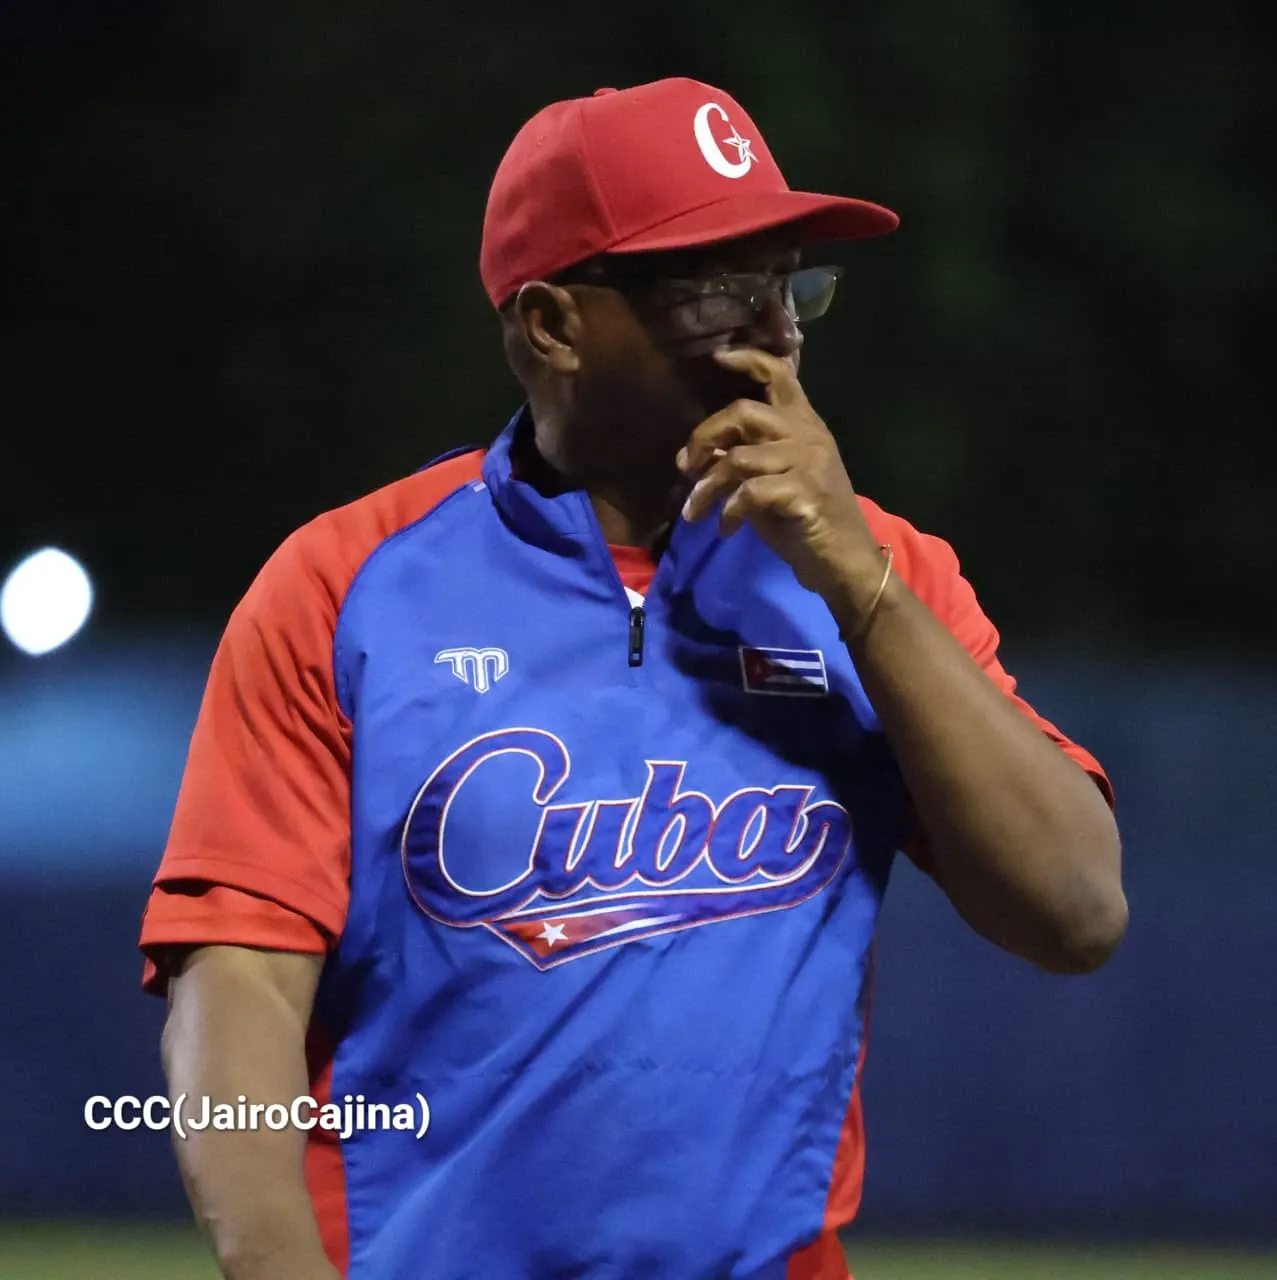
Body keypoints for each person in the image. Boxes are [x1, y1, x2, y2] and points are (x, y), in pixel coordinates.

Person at [140, 77, 1126, 1280]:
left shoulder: (883, 574)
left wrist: (860, 590)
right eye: (713, 289)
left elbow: (1073, 910)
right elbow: (238, 979)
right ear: (551, 324)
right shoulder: (344, 584)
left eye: (786, 281)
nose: (776, 333)